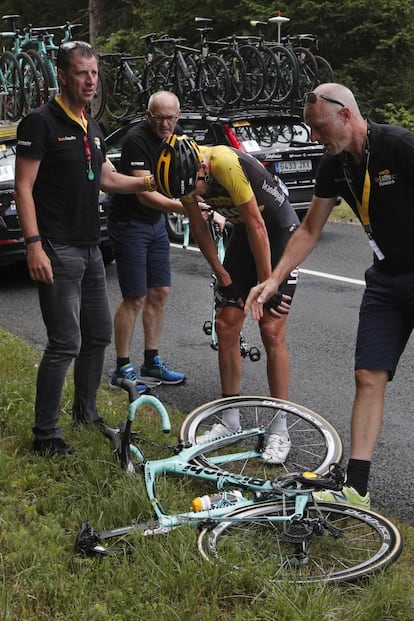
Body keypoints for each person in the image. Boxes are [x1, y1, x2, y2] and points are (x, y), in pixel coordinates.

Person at [245, 82, 414, 507]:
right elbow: (309, 229)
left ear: (345, 114)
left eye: (319, 128)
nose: (316, 139)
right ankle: (357, 488)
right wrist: (273, 278)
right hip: (384, 279)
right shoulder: (334, 165)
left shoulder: (398, 146)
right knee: (367, 376)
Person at [14, 41, 160, 457]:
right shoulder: (40, 123)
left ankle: (86, 413)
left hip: (92, 247)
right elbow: (23, 187)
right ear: (63, 75)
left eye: (94, 73)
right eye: (82, 72)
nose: (90, 80)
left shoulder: (88, 123)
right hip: (56, 247)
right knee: (65, 342)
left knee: (97, 336)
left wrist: (152, 182)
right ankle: (46, 435)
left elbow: (107, 178)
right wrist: (33, 245)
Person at [155, 134, 300, 463]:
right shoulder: (185, 177)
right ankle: (230, 419)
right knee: (226, 324)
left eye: (194, 187)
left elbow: (258, 225)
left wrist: (266, 285)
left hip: (276, 232)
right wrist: (222, 275)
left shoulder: (224, 162)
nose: (192, 195)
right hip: (243, 234)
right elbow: (200, 229)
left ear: (202, 168)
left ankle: (280, 427)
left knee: (271, 330)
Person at [107, 91, 186, 390]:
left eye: (171, 118)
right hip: (130, 224)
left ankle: (151, 361)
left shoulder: (176, 135)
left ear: (178, 115)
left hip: (154, 225)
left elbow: (186, 175)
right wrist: (185, 208)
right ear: (147, 114)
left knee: (160, 292)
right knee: (135, 297)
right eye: (159, 118)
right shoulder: (136, 139)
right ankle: (122, 367)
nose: (165, 124)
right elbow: (145, 193)